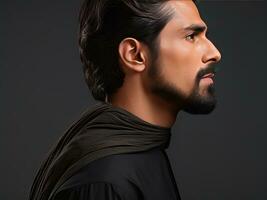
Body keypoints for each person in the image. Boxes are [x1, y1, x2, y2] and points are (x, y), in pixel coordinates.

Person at [28, 0, 221, 199]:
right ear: (134, 55)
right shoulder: (106, 181)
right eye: (191, 36)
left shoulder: (142, 154)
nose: (214, 53)